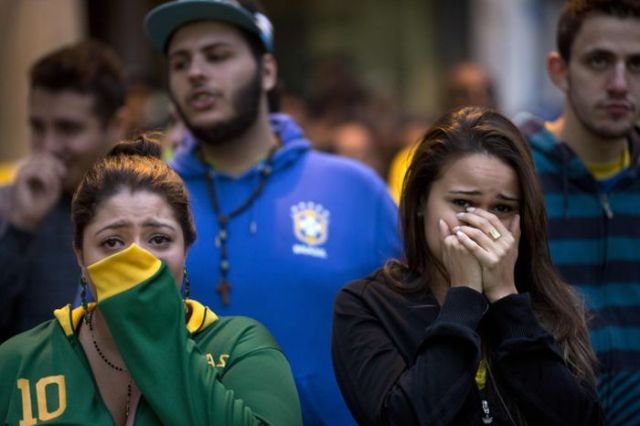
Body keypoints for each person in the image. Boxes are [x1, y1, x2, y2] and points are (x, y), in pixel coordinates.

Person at [144, 1, 401, 424]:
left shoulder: (357, 190)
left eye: (217, 55)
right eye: (180, 62)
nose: (195, 72)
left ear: (267, 71)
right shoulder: (147, 199)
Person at [0, 136, 302, 425]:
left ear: (186, 249)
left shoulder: (240, 347)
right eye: (113, 242)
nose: (138, 259)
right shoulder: (17, 361)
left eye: (159, 239)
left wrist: (157, 333)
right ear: (79, 254)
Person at [332, 107, 603, 425]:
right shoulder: (367, 305)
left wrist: (506, 299)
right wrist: (463, 297)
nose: (481, 224)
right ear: (421, 201)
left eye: (501, 208)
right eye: (462, 203)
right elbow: (400, 418)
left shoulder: (549, 306)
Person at [516, 1, 640, 423]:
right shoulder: (511, 179)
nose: (620, 83)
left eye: (637, 64)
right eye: (599, 61)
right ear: (559, 70)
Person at [0, 40, 128, 343]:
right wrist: (20, 228)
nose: (48, 146)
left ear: (117, 125)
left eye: (68, 129)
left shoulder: (147, 208)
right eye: (37, 127)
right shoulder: (8, 205)